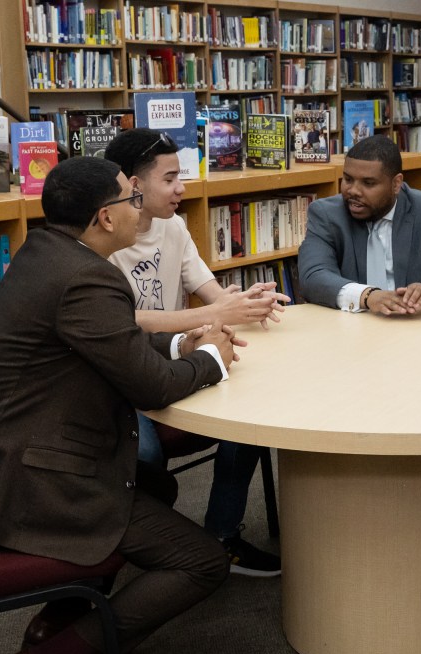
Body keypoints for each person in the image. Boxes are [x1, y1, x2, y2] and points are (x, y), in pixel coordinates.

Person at [0, 156, 240, 654]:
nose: (141, 209)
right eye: (132, 199)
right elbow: (146, 385)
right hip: (30, 483)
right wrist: (211, 360)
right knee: (202, 562)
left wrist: (183, 345)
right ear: (105, 217)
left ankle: (61, 619)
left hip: (3, 461)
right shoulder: (87, 276)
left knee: (156, 482)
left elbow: (116, 346)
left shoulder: (48, 253)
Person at [104, 127, 286, 577]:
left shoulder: (175, 225)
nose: (181, 188)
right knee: (142, 457)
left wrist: (243, 301)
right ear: (132, 184)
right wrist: (214, 314)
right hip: (128, 373)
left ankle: (222, 538)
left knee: (250, 422)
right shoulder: (104, 236)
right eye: (169, 178)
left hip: (182, 355)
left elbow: (206, 291)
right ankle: (145, 554)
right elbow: (124, 321)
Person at [299, 134, 421, 314]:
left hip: (415, 324)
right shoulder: (326, 214)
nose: (353, 191)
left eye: (368, 183)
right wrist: (368, 296)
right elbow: (313, 276)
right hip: (352, 326)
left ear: (396, 184)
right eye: (348, 179)